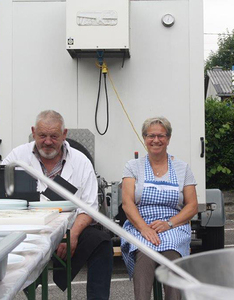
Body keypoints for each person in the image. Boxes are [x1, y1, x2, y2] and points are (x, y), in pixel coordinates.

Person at [2, 110, 113, 300]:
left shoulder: (80, 161)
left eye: (53, 136)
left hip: (71, 229)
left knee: (102, 244)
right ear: (33, 132)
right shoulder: (17, 156)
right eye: (42, 135)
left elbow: (90, 206)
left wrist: (73, 235)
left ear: (64, 134)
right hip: (30, 229)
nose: (47, 141)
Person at [121, 116, 198, 300]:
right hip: (141, 226)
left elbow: (192, 205)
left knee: (172, 262)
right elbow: (127, 203)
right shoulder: (133, 167)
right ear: (144, 138)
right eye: (151, 136)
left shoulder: (182, 168)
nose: (156, 140)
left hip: (174, 226)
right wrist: (144, 228)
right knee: (144, 259)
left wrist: (169, 224)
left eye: (161, 136)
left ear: (168, 139)